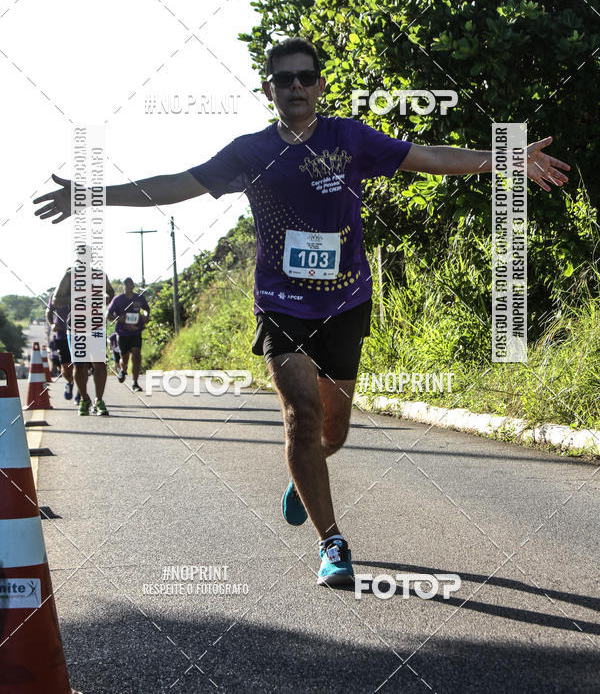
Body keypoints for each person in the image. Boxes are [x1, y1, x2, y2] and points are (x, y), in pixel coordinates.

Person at [33, 36, 570, 586]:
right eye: (284, 78)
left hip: (346, 302)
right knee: (302, 419)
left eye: (305, 77)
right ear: (269, 89)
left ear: (318, 85)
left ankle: (303, 475)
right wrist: (91, 194)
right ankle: (332, 542)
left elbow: (428, 158)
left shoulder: (349, 138)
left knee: (332, 433)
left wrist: (504, 158)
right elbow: (174, 185)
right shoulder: (249, 152)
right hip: (281, 305)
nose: (296, 86)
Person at [51, 267, 114, 416]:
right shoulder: (69, 276)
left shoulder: (99, 274)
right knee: (80, 366)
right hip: (76, 327)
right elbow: (55, 300)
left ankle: (99, 400)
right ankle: (85, 399)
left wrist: (103, 299)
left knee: (100, 363)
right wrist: (75, 298)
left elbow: (110, 293)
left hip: (96, 325)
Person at [107, 279, 149, 392]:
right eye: (127, 285)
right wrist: (118, 318)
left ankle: (135, 383)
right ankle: (122, 370)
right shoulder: (118, 300)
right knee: (124, 357)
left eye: (131, 285)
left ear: (133, 286)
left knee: (136, 355)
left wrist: (146, 317)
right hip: (122, 333)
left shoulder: (139, 298)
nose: (129, 287)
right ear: (123, 286)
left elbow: (146, 309)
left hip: (136, 331)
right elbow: (108, 314)